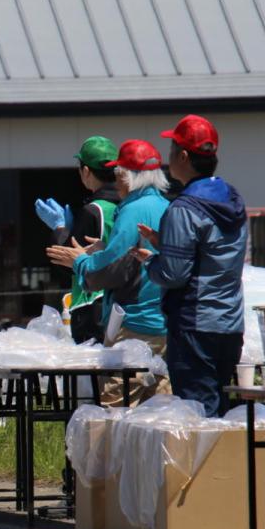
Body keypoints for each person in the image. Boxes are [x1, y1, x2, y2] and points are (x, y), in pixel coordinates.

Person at [139, 115, 248, 418]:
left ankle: (211, 468)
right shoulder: (233, 199)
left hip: (194, 326)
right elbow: (211, 255)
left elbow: (173, 275)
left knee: (198, 414)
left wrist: (150, 260)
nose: (168, 158)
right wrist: (167, 244)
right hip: (229, 323)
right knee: (220, 409)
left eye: (171, 149)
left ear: (183, 156)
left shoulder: (183, 208)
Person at [47, 139, 169, 404]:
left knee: (116, 412)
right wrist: (105, 248)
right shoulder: (164, 205)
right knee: (159, 413)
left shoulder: (132, 210)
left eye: (118, 173)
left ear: (126, 175)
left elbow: (111, 270)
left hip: (134, 328)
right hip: (163, 324)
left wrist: (80, 262)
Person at [35, 136, 121, 344]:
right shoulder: (125, 205)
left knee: (98, 375)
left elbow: (68, 261)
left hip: (91, 306)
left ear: (86, 172)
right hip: (121, 304)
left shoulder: (93, 210)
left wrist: (60, 229)